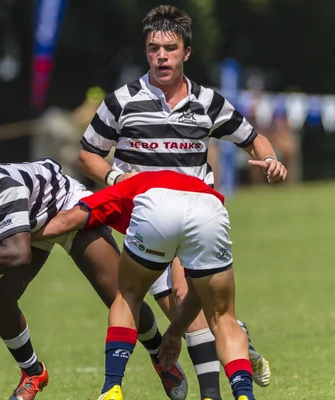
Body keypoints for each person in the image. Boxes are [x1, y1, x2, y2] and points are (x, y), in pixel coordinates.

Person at [78, 5, 286, 397]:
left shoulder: (207, 102)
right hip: (147, 216)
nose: (161, 56)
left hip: (192, 212)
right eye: (154, 48)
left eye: (170, 48)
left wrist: (271, 159)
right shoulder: (122, 100)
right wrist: (115, 177)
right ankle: (238, 339)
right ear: (145, 51)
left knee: (187, 306)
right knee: (187, 313)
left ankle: (209, 391)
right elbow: (88, 152)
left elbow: (253, 138)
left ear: (186, 53)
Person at [0, 152, 187, 400]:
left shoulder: (1, 189)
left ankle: (159, 354)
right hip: (24, 231)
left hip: (62, 207)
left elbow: (19, 254)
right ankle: (33, 372)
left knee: (119, 294)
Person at [31, 170, 257, 400]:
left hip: (156, 207)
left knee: (128, 295)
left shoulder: (130, 186)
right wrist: (175, 331)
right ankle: (244, 394)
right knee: (223, 317)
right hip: (209, 208)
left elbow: (67, 220)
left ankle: (112, 387)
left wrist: (15, 237)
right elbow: (197, 294)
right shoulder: (194, 184)